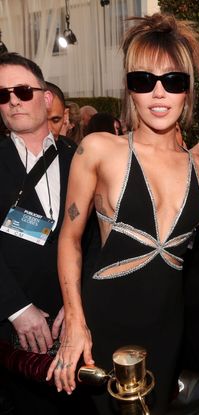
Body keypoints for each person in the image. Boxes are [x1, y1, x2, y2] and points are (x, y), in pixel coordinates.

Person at [47, 13, 199, 415]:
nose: (159, 94)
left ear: (188, 91)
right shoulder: (100, 149)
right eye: (144, 80)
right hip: (102, 323)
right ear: (130, 89)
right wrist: (74, 322)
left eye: (173, 81)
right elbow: (69, 239)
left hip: (166, 328)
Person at [0, 53, 93, 414]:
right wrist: (17, 309)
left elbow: (101, 240)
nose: (12, 100)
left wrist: (77, 306)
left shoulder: (82, 157)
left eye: (23, 90)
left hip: (80, 322)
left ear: (46, 97)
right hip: (16, 335)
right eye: (3, 94)